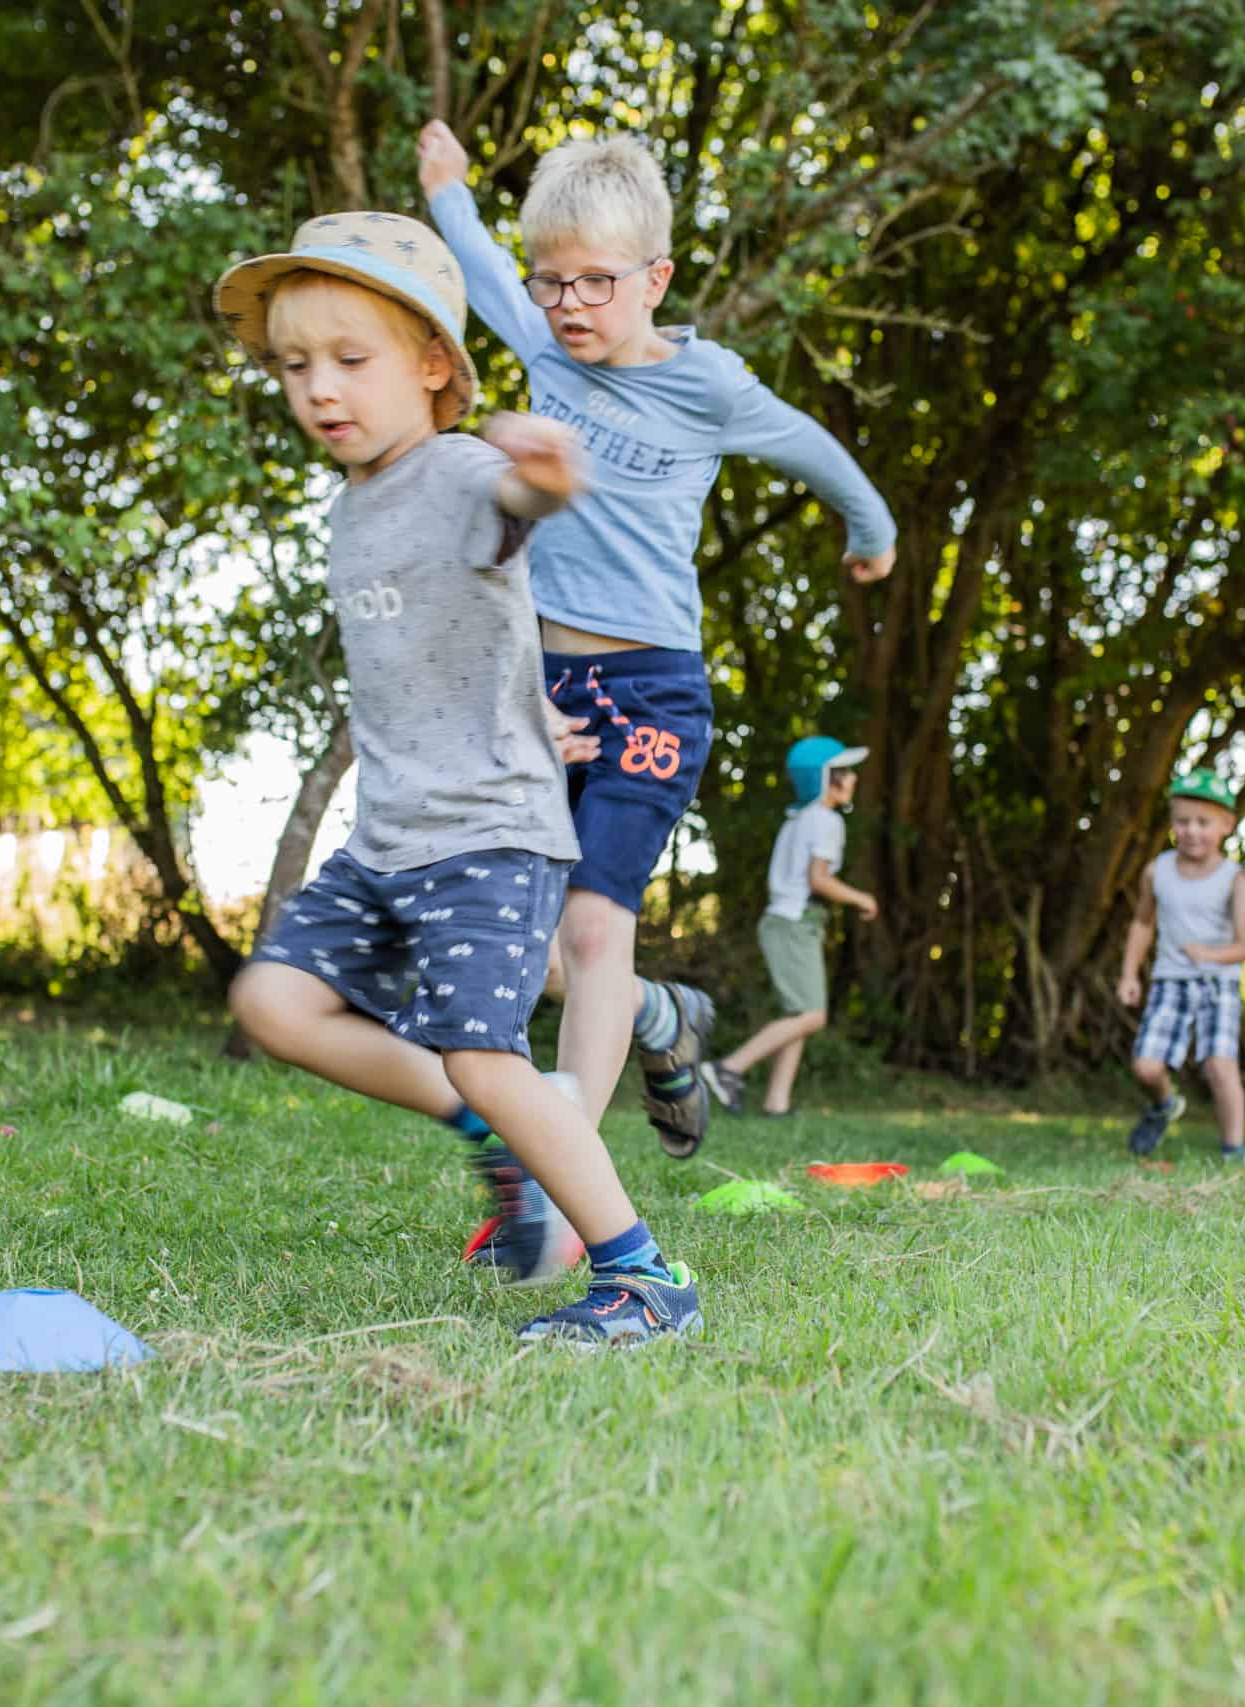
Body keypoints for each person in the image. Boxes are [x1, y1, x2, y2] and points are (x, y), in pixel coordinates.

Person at [215, 213, 700, 1346]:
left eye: (350, 359)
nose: (317, 390)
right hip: (386, 835)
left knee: (487, 1052)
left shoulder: (457, 469)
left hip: (486, 834)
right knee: (273, 1003)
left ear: (433, 365)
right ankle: (502, 1146)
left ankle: (641, 1278)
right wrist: (529, 702)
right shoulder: (354, 504)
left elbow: (513, 508)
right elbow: (475, 634)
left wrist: (544, 474)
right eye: (294, 366)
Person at [417, 121, 898, 1164]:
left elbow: (817, 450)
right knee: (524, 940)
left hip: (650, 689)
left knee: (596, 926)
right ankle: (657, 1015)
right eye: (554, 285)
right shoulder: (542, 338)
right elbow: (485, 268)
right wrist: (449, 190)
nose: (569, 306)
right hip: (539, 686)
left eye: (596, 283)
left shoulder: (709, 386)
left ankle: (563, 1175)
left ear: (655, 278)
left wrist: (874, 534)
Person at [700, 737, 877, 1119]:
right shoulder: (825, 820)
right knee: (812, 1015)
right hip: (795, 922)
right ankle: (727, 1069)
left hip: (787, 921)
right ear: (827, 779)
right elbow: (820, 879)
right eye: (845, 773)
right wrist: (862, 899)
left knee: (799, 1013)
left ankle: (776, 1103)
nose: (854, 780)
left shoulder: (799, 819)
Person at [1115, 768, 1245, 1163]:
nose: (1192, 831)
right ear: (1172, 823)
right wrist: (1129, 974)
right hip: (1169, 981)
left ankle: (1234, 1151)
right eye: (1183, 821)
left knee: (1219, 1065)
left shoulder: (1234, 879)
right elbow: (1143, 923)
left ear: (1226, 825)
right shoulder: (1156, 871)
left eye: (1203, 822)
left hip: (1218, 983)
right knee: (1145, 1066)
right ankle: (1163, 1105)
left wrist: (1211, 955)